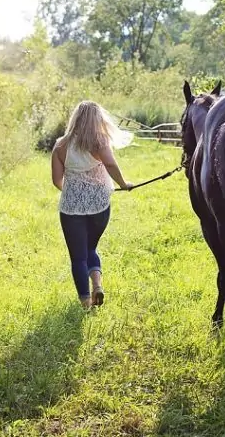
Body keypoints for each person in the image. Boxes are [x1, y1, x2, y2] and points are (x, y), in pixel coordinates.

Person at [51, 101, 134, 309]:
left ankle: (86, 303)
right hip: (100, 205)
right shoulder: (99, 141)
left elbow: (56, 180)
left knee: (78, 257)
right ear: (97, 120)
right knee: (91, 247)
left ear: (75, 119)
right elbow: (111, 164)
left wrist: (74, 193)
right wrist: (123, 184)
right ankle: (97, 285)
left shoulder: (60, 145)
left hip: (71, 209)